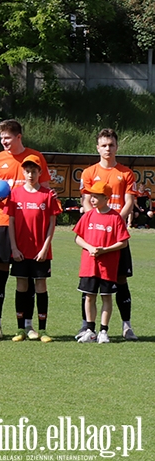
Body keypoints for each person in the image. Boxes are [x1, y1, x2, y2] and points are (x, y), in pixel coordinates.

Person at [0, 119, 50, 340]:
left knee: (29, 276)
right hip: (4, 223)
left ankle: (28, 325)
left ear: (19, 137)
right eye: (1, 138)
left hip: (29, 227)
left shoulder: (35, 157)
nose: (4, 141)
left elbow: (46, 188)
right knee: (1, 273)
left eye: (8, 137)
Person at [78, 128, 138, 341]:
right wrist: (95, 220)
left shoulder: (126, 173)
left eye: (111, 145)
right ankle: (87, 327)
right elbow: (86, 202)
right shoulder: (89, 173)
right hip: (95, 235)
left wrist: (114, 222)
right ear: (97, 147)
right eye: (104, 145)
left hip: (116, 234)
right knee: (90, 279)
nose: (108, 149)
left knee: (120, 280)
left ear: (116, 147)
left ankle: (126, 326)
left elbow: (129, 201)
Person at [4, 156, 61, 343]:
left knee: (40, 287)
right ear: (23, 172)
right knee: (21, 287)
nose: (30, 174)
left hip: (40, 252)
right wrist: (14, 247)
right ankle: (21, 328)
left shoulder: (47, 195)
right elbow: (10, 222)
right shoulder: (15, 194)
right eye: (27, 171)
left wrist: (46, 248)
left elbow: (52, 223)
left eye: (34, 171)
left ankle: (42, 329)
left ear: (39, 173)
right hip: (20, 250)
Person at [74, 181, 130, 344]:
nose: (92, 199)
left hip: (108, 267)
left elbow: (123, 242)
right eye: (91, 196)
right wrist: (90, 247)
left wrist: (105, 250)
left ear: (106, 198)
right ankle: (90, 330)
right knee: (89, 297)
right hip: (89, 266)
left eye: (96, 196)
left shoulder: (115, 217)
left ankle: (103, 331)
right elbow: (78, 237)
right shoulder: (88, 215)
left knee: (106, 297)